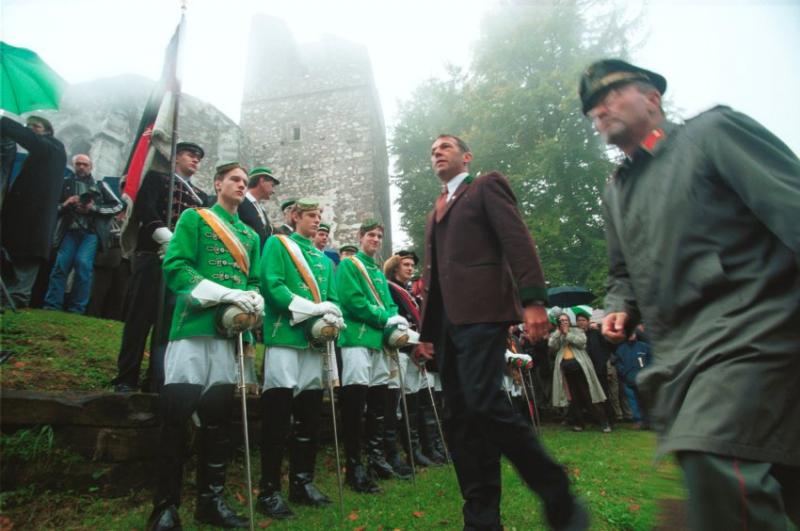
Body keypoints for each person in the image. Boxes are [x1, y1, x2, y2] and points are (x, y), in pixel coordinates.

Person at [580, 59, 800, 529]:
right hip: (680, 353)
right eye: (592, 107)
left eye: (611, 94)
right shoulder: (616, 191)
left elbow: (792, 204)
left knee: (713, 456)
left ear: (653, 99)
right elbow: (621, 273)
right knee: (780, 478)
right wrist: (619, 307)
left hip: (755, 329)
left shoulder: (713, 134)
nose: (600, 108)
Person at [419, 134, 588, 530]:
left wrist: (533, 301)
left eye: (445, 146)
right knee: (460, 419)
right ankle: (480, 519)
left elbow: (517, 241)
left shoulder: (485, 187)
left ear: (466, 156)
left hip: (482, 314)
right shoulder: (436, 209)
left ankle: (555, 488)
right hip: (446, 326)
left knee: (484, 403)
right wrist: (427, 333)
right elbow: (435, 276)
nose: (437, 153)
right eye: (432, 150)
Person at [146, 162, 262, 530]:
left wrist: (255, 300)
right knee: (176, 416)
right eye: (235, 180)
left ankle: (210, 501)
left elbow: (254, 279)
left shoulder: (250, 236)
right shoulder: (195, 219)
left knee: (218, 421)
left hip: (230, 336)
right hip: (193, 328)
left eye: (245, 182)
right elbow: (177, 267)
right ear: (218, 184)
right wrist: (224, 293)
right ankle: (165, 507)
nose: (241, 185)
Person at [256, 199, 343, 518]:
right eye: (310, 215)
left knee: (308, 414)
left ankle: (302, 482)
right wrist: (312, 309)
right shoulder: (279, 244)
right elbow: (272, 285)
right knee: (278, 416)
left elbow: (333, 298)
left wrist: (331, 315)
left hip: (314, 342)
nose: (316, 221)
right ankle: (268, 491)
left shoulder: (323, 260)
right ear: (294, 217)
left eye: (319, 216)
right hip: (285, 337)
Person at [111, 142, 209, 393]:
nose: (195, 160)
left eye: (198, 157)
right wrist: (162, 234)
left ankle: (156, 378)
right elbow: (145, 207)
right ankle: (126, 376)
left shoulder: (200, 196)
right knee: (139, 319)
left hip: (180, 265)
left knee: (166, 324)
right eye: (190, 155)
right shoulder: (156, 178)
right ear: (176, 157)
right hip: (152, 254)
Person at [336, 219, 406, 493]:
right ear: (361, 236)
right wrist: (385, 318)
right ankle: (354, 466)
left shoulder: (378, 271)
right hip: (355, 338)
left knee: (377, 403)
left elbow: (389, 303)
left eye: (379, 236)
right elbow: (352, 301)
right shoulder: (349, 265)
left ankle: (375, 457)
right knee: (355, 404)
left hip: (378, 341)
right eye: (371, 235)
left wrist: (394, 317)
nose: (375, 239)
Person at [43, 155, 124, 313]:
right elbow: (53, 208)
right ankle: (52, 305)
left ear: (91, 166)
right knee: (61, 265)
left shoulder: (100, 185)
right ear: (74, 165)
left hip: (91, 233)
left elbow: (118, 205)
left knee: (83, 265)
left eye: (85, 164)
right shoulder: (65, 183)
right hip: (69, 231)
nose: (81, 167)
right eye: (78, 164)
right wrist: (67, 204)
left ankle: (77, 308)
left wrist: (93, 208)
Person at [0, 115, 66, 309]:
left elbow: (31, 140)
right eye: (27, 126)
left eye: (34, 126)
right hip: (20, 219)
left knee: (26, 262)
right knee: (11, 258)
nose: (29, 129)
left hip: (35, 221)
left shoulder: (54, 147)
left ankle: (17, 301)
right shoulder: (37, 154)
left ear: (47, 131)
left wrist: (5, 122)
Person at [549, 314, 610, 433]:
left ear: (569, 321)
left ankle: (604, 422)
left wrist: (567, 333)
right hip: (566, 369)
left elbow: (581, 342)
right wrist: (559, 332)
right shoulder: (557, 334)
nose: (564, 322)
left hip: (581, 367)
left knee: (589, 395)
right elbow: (552, 345)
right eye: (561, 321)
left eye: (566, 320)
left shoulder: (577, 330)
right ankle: (579, 423)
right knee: (573, 398)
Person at [574, 308, 616, 422]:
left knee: (604, 394)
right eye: (578, 320)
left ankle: (610, 419)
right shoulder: (576, 336)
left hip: (599, 368)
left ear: (588, 321)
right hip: (585, 369)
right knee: (590, 396)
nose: (580, 322)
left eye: (583, 320)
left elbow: (607, 347)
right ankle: (596, 419)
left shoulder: (596, 333)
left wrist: (604, 364)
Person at [612, 331, 651, 429]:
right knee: (633, 401)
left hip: (644, 380)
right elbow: (617, 363)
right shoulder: (621, 349)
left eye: (632, 332)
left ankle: (650, 422)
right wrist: (624, 372)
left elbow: (651, 360)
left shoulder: (644, 346)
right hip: (628, 381)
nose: (630, 335)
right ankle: (638, 421)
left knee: (647, 401)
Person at [238, 166, 279, 249]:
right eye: (272, 185)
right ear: (262, 181)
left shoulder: (260, 208)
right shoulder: (241, 202)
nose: (273, 191)